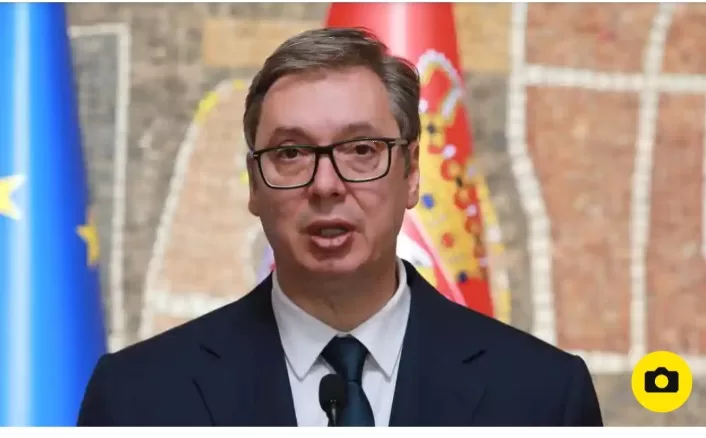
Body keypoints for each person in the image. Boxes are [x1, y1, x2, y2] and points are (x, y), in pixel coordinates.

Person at [77, 27, 603, 427]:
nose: (326, 185)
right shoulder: (137, 399)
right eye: (291, 153)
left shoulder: (542, 397)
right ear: (254, 185)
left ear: (412, 173)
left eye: (361, 149)